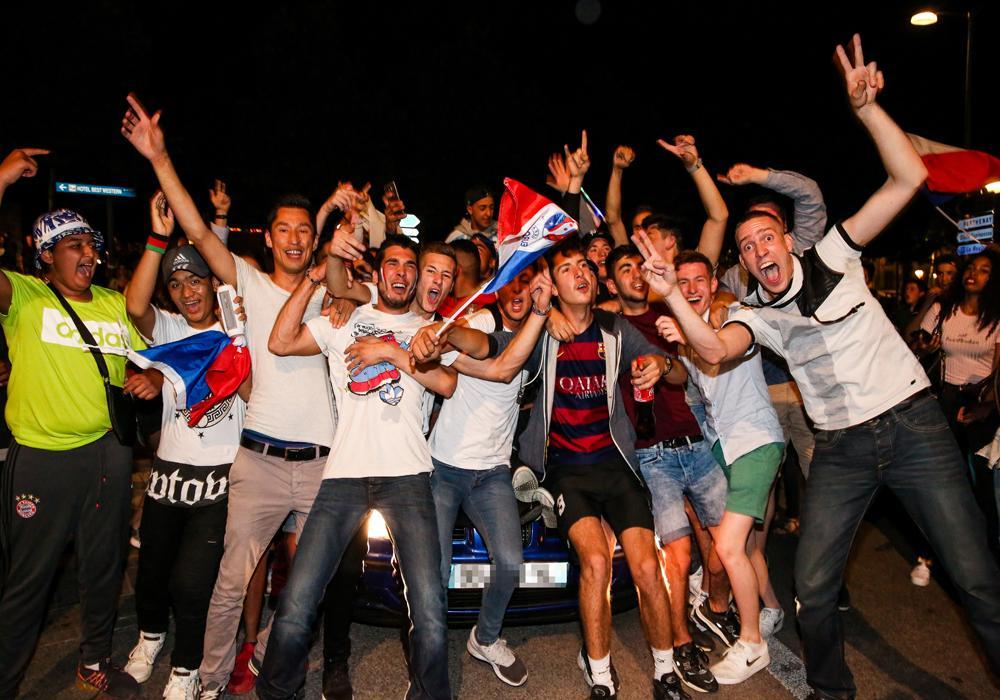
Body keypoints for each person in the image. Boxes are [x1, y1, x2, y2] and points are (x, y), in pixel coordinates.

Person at [635, 35, 1000, 698]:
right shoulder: (758, 314)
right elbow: (711, 350)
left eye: (765, 237)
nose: (757, 250)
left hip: (912, 426)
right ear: (746, 265)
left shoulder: (835, 253)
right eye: (747, 247)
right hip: (839, 447)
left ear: (787, 240)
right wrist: (671, 297)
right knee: (812, 587)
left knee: (975, 579)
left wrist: (868, 111)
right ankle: (832, 690)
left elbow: (907, 179)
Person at [120, 94, 341, 699]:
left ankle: (269, 653)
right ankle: (211, 681)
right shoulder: (247, 280)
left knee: (311, 586)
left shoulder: (331, 295)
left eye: (304, 231)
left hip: (320, 465)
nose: (294, 239)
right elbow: (194, 228)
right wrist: (160, 158)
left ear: (313, 241)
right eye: (284, 229)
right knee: (228, 584)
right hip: (259, 460)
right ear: (268, 238)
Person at [418, 235, 691, 700]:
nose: (580, 273)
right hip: (565, 469)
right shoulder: (538, 334)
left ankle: (666, 671)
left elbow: (680, 373)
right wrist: (446, 332)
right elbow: (488, 346)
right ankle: (600, 675)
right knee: (595, 561)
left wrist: (663, 365)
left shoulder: (616, 328)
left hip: (615, 465)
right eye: (567, 269)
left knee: (648, 567)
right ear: (552, 288)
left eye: (585, 266)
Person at [257, 234, 457, 699]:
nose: (402, 272)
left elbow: (446, 384)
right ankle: (276, 692)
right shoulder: (345, 319)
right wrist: (312, 281)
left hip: (408, 476)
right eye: (393, 264)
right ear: (378, 273)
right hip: (343, 474)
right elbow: (280, 341)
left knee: (428, 608)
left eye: (410, 265)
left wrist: (389, 352)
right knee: (298, 601)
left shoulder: (427, 329)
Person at [0, 148, 146, 699]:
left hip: (107, 453)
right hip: (42, 459)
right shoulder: (25, 298)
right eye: (74, 245)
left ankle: (93, 663)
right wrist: (3, 178)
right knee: (29, 581)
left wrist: (154, 379)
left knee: (103, 569)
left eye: (91, 244)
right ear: (46, 256)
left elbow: (157, 357)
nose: (89, 253)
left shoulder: (114, 303)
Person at [122, 192, 250, 700]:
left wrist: (238, 338)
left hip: (219, 479)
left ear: (212, 284)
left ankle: (186, 666)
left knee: (194, 583)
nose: (185, 292)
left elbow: (252, 393)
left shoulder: (236, 331)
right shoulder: (171, 330)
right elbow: (136, 307)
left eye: (194, 280)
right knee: (151, 575)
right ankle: (150, 640)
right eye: (175, 284)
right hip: (169, 475)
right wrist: (157, 238)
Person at [654, 250, 786, 684]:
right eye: (683, 282)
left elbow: (715, 351)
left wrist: (686, 331)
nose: (692, 289)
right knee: (746, 547)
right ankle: (772, 610)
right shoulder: (687, 337)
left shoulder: (735, 318)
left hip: (755, 444)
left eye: (700, 280)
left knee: (727, 547)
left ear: (714, 284)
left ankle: (751, 644)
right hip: (725, 448)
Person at [603, 245, 721, 694]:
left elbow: (687, 369)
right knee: (679, 554)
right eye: (625, 269)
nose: (636, 274)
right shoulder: (608, 327)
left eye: (640, 266)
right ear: (611, 283)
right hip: (651, 454)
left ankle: (712, 607)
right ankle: (681, 642)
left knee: (728, 544)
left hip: (696, 442)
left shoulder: (670, 315)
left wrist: (665, 359)